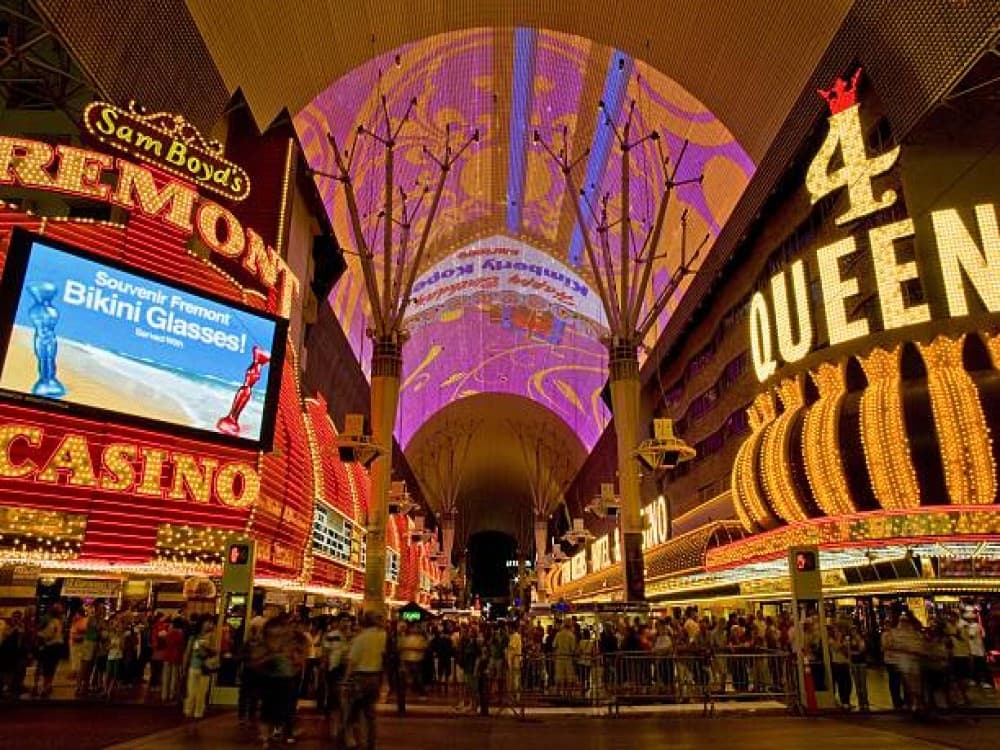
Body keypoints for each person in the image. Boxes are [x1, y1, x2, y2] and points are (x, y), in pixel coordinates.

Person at [345, 611, 387, 750]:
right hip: (375, 677)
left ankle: (353, 740)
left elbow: (352, 661)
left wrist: (346, 679)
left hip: (359, 677)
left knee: (352, 710)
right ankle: (371, 743)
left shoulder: (360, 638)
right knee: (370, 715)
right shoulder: (382, 636)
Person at [183, 619, 216, 720]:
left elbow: (215, 651)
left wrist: (208, 648)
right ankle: (189, 710)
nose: (209, 625)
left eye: (210, 623)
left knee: (202, 692)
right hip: (194, 666)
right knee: (191, 691)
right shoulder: (194, 638)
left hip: (205, 667)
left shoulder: (212, 637)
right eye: (207, 622)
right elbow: (188, 652)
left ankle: (198, 712)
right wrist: (185, 666)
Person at [35, 603, 64, 698]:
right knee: (51, 667)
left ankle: (46, 687)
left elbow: (48, 634)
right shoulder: (57, 620)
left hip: (51, 646)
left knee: (47, 667)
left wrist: (40, 635)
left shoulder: (53, 620)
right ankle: (47, 686)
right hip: (56, 646)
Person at [553, 620, 577, 693]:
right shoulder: (571, 635)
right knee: (568, 677)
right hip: (568, 658)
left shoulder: (558, 634)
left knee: (559, 676)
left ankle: (558, 692)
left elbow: (554, 645)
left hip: (559, 658)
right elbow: (573, 648)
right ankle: (568, 693)